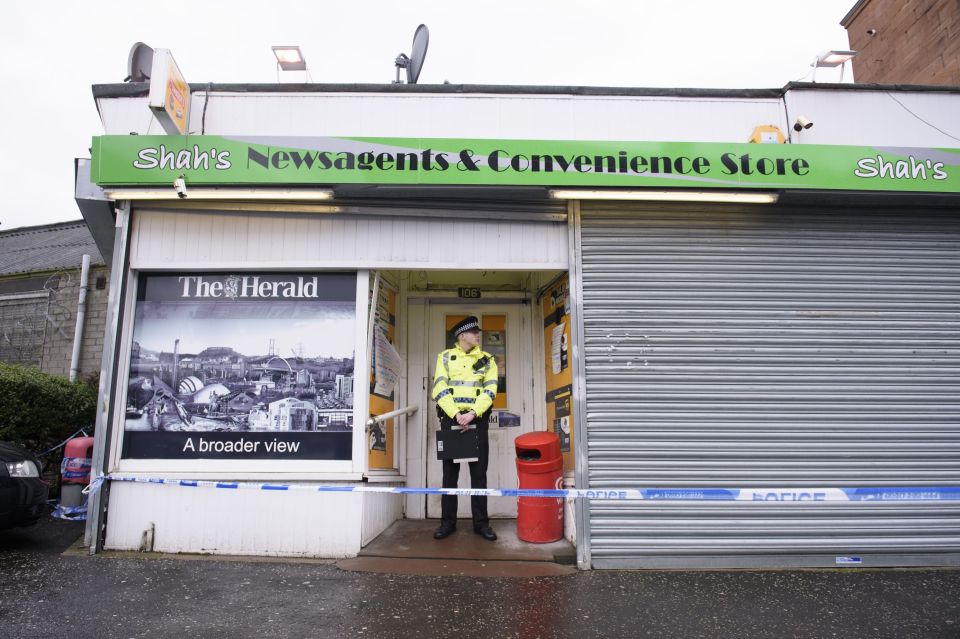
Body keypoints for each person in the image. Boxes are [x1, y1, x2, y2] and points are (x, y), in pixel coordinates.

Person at [431, 316, 499, 541]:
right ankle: (447, 523)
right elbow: (439, 389)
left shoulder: (488, 359)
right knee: (450, 474)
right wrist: (456, 414)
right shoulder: (445, 357)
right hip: (452, 419)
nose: (478, 335)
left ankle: (481, 524)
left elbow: (491, 391)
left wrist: (472, 414)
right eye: (474, 332)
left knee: (479, 474)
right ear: (462, 336)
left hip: (477, 421)